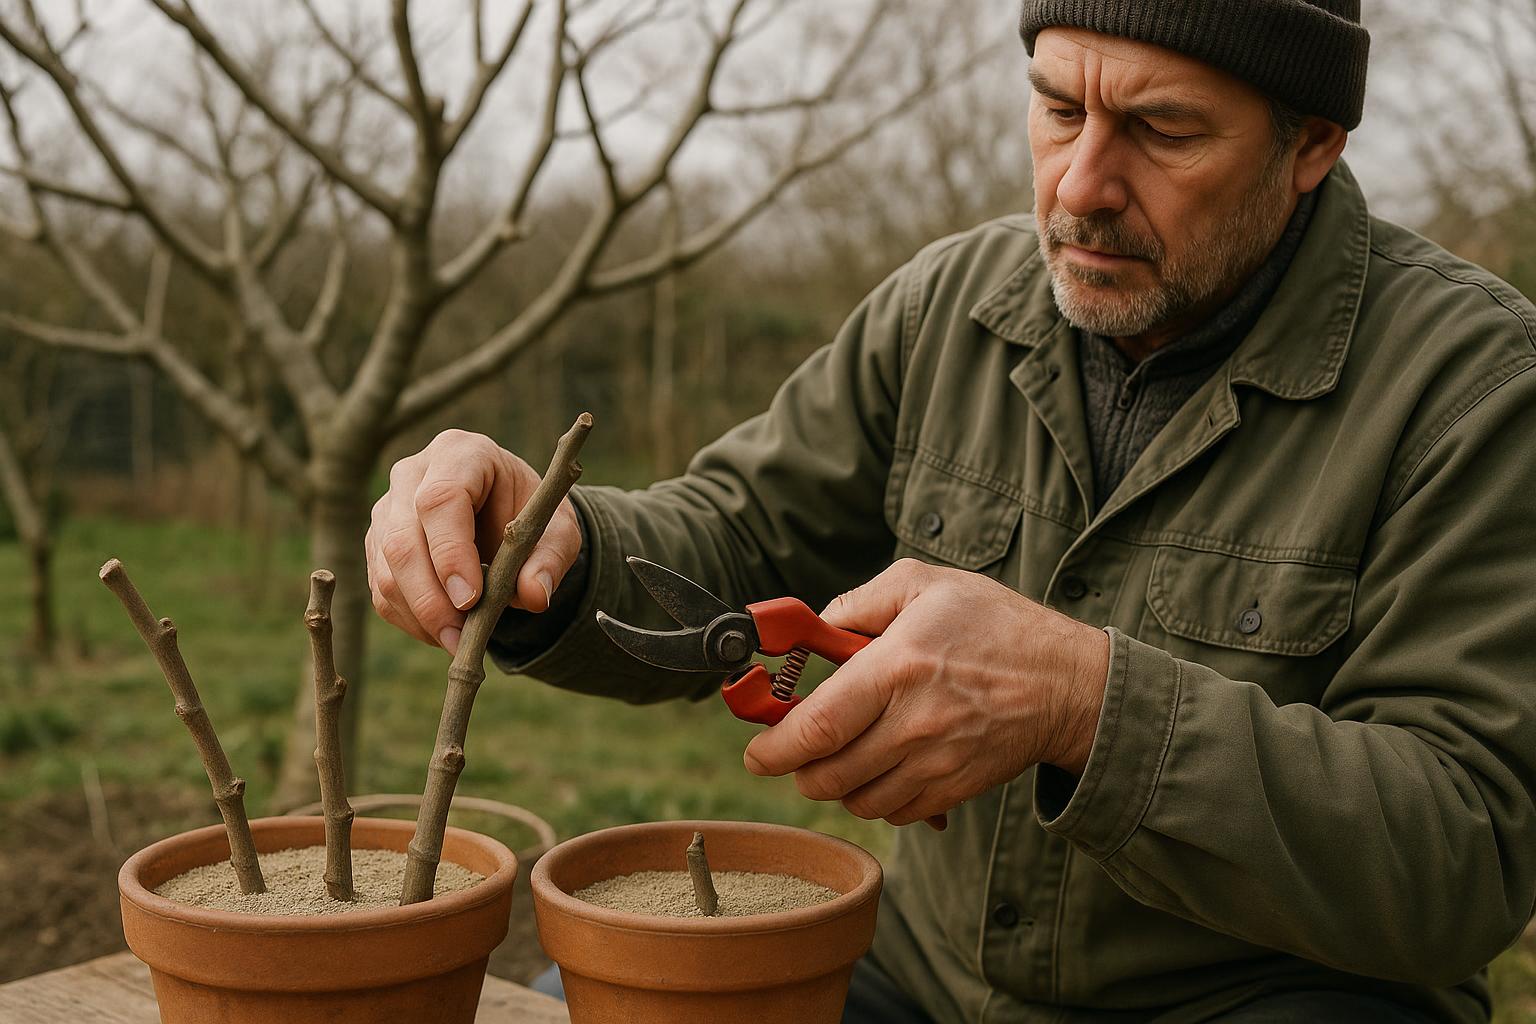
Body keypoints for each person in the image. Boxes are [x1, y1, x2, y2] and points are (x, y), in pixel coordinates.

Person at [365, 1, 1536, 1020]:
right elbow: (733, 538)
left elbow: (1469, 850)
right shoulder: (950, 309)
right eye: (1058, 108)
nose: (1081, 186)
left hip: (1280, 994)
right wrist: (555, 547)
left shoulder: (1474, 390)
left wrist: (1084, 703)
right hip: (916, 979)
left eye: (1164, 129)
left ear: (1311, 144)